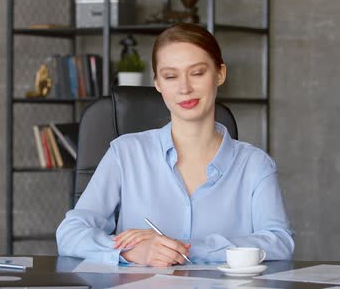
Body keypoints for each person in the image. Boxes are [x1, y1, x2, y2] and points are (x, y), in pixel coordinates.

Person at [56, 23, 294, 267]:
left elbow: (279, 242)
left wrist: (183, 247)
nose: (184, 88)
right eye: (171, 76)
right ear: (158, 83)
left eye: (198, 73)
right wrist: (131, 251)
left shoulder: (255, 164)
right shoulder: (125, 153)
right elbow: (70, 233)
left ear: (220, 74)